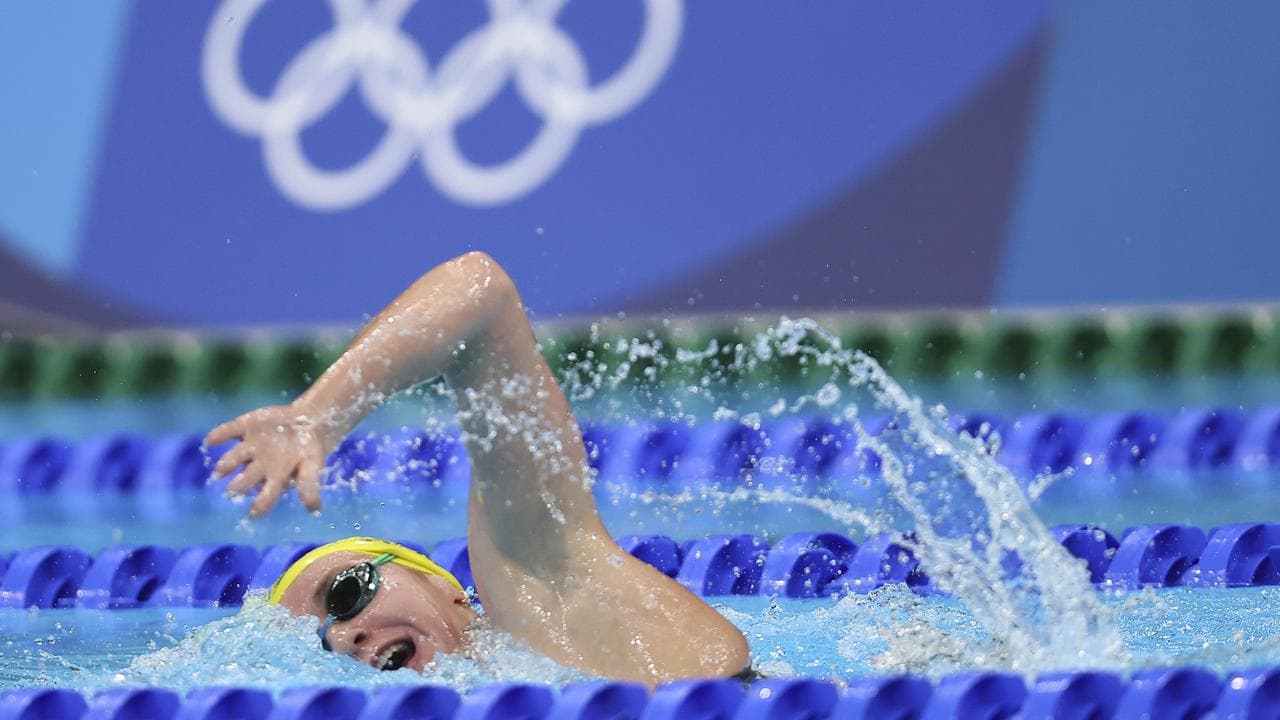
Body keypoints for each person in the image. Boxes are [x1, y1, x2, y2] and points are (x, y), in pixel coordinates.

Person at [204, 251, 751, 685]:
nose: (344, 637)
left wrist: (316, 418)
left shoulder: (552, 599)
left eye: (345, 593)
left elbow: (480, 294)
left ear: (447, 588)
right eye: (322, 644)